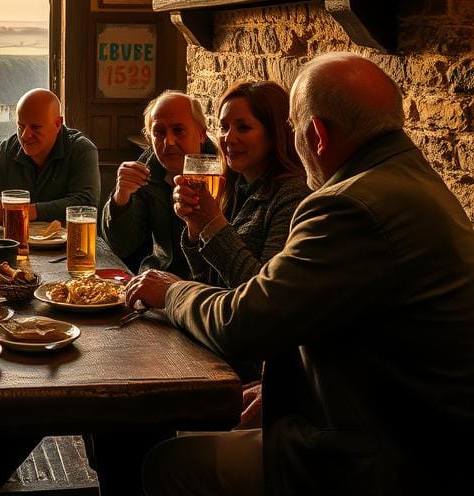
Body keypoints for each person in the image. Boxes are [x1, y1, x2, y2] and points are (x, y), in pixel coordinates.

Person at [128, 53, 474, 495]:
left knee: (172, 463)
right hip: (409, 421)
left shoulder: (346, 205)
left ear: (318, 134)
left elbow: (248, 321)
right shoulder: (412, 178)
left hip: (394, 453)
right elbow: (330, 316)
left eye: (293, 129)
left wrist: (172, 293)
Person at [173, 80, 309, 288]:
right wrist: (195, 227)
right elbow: (206, 280)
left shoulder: (293, 194)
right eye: (223, 127)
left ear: (275, 134)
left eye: (243, 128)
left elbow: (263, 292)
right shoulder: (235, 187)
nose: (228, 138)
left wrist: (212, 222)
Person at [100, 91, 215, 275]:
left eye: (178, 130)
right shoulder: (147, 169)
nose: (168, 141)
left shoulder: (221, 173)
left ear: (201, 134)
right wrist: (121, 198)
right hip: (156, 276)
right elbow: (122, 246)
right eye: (159, 132)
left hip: (206, 290)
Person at [0, 88, 100, 223]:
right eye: (21, 126)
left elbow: (86, 203)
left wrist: (25, 211)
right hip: (13, 242)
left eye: (35, 127)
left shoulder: (81, 150)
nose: (25, 135)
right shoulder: (6, 150)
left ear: (57, 124)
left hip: (68, 242)